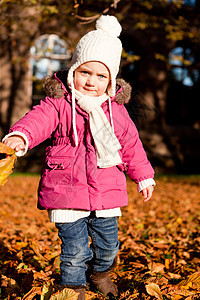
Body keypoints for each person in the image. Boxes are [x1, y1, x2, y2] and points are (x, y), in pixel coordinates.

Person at [3, 15, 155, 300]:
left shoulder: (116, 112)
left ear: (111, 80)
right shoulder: (59, 104)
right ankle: (73, 289)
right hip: (66, 189)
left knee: (108, 246)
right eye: (85, 72)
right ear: (73, 70)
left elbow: (131, 145)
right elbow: (37, 121)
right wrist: (20, 136)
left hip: (106, 190)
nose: (91, 81)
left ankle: (101, 272)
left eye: (100, 76)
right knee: (74, 251)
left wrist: (144, 175)